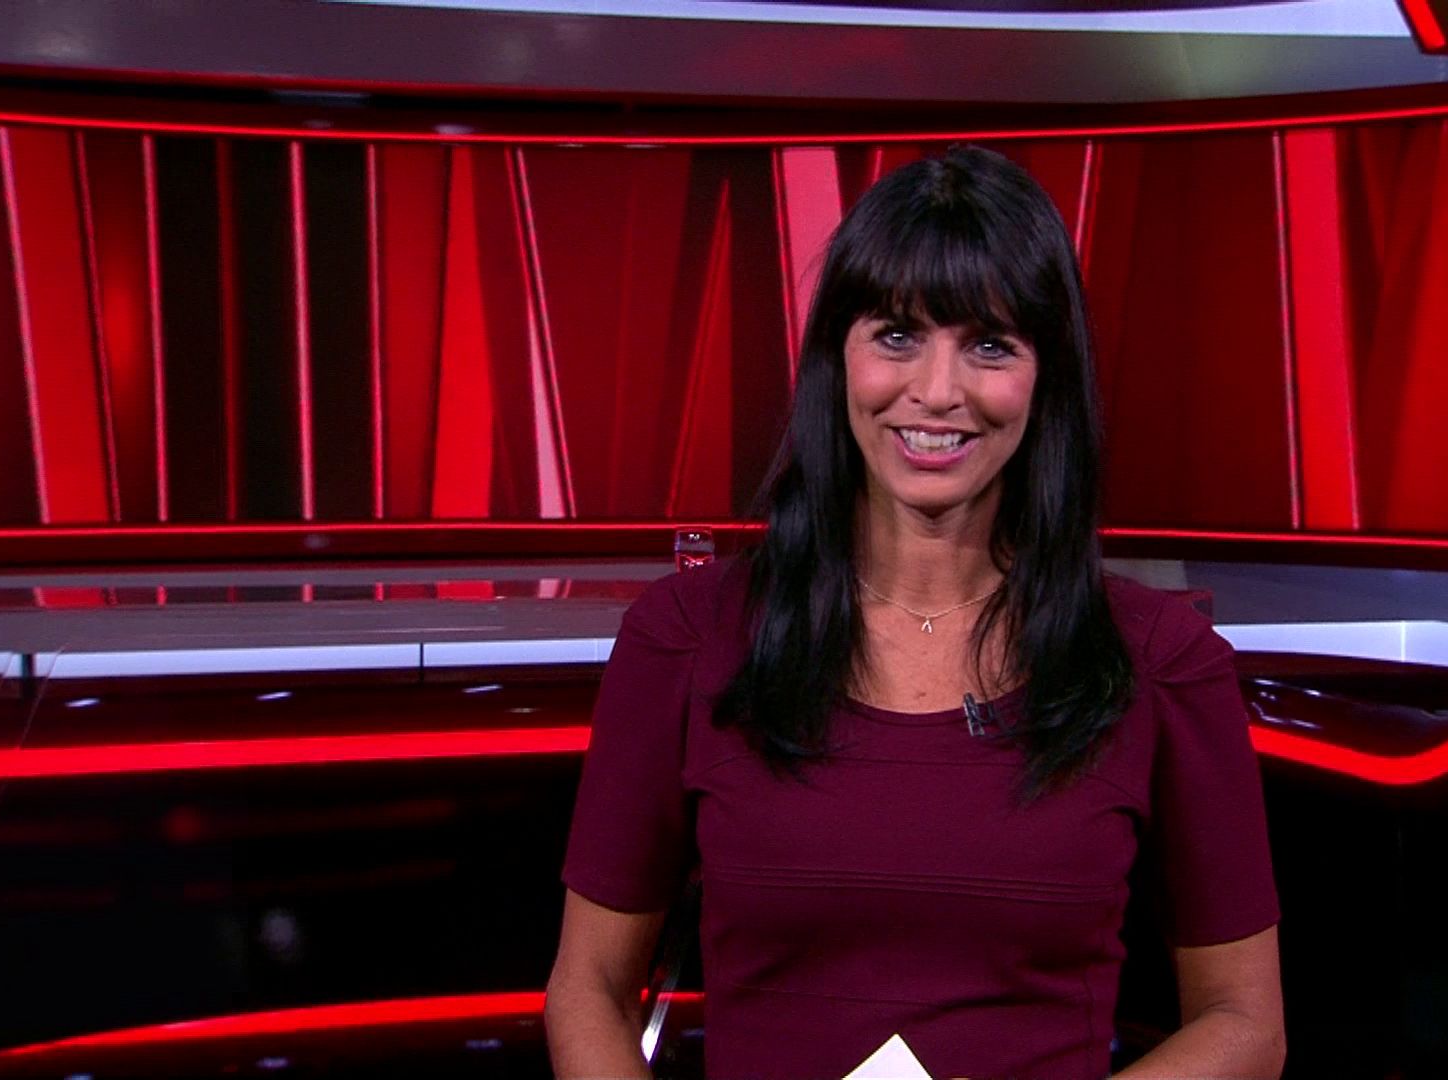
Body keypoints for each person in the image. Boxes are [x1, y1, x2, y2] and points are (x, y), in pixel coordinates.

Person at [545, 145, 1283, 1079]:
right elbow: (589, 991)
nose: (937, 392)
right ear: (837, 357)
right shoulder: (687, 637)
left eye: (990, 345)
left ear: (1047, 376)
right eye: (897, 335)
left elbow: (1245, 1024)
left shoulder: (1160, 660)